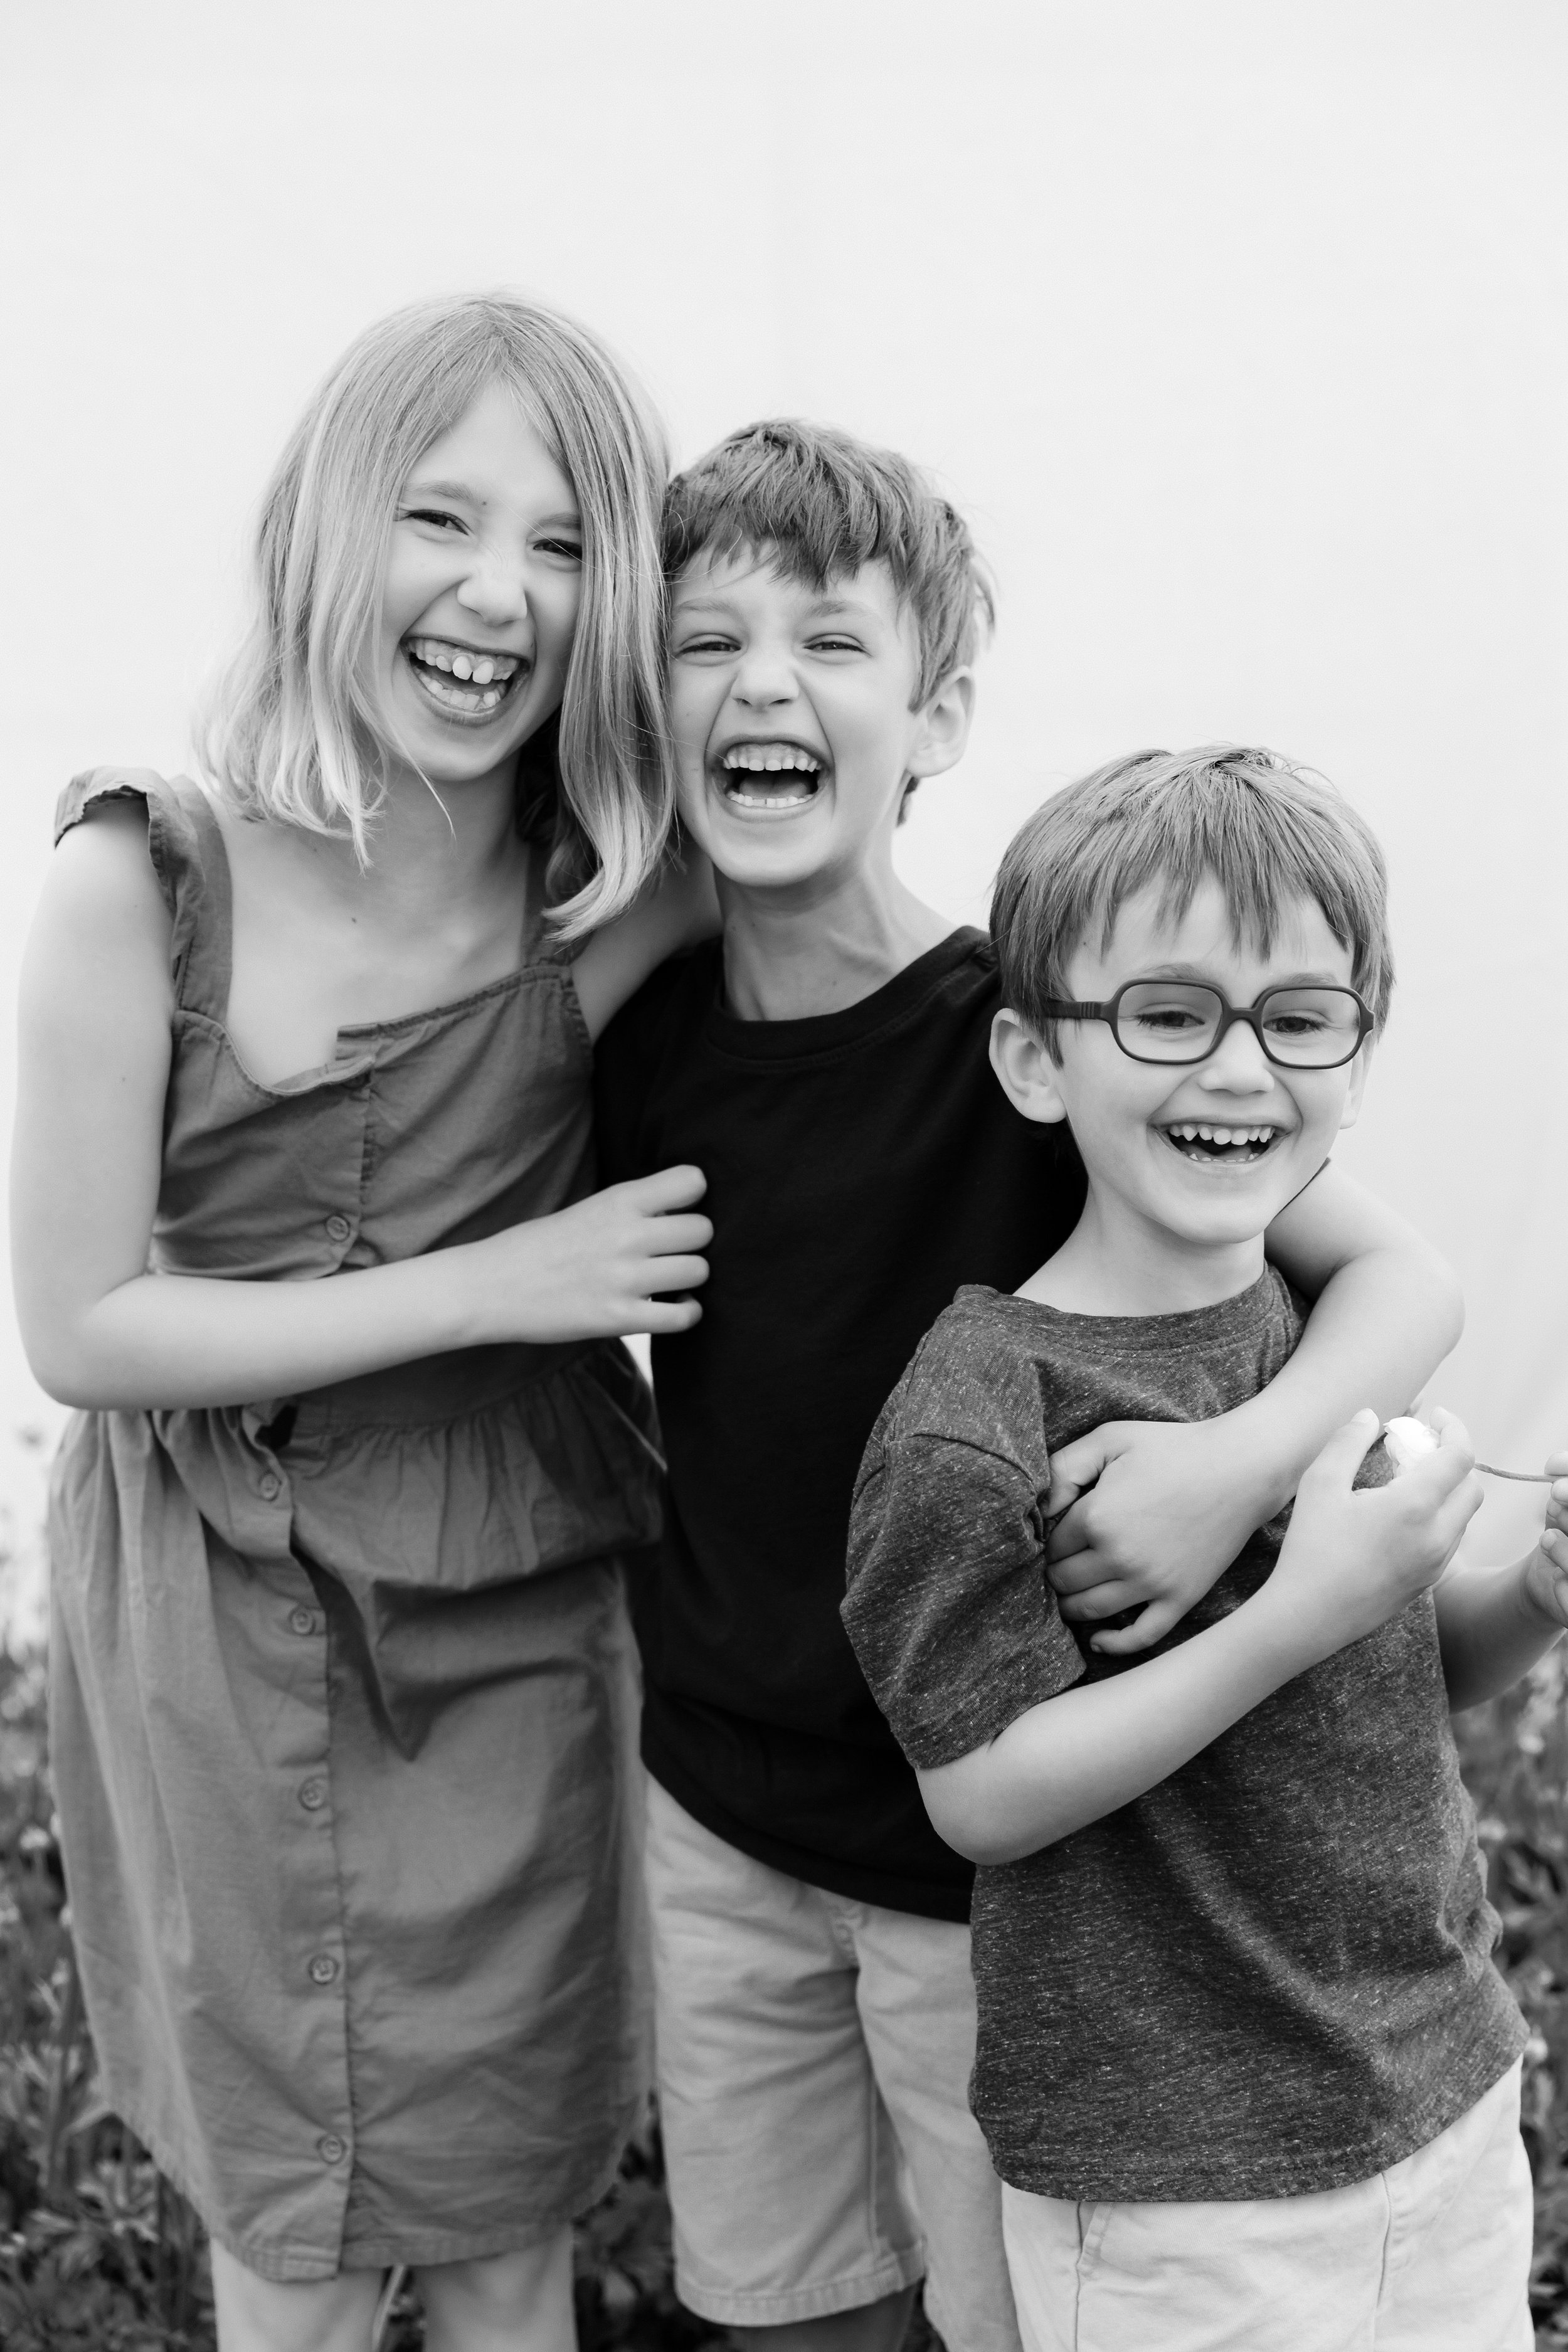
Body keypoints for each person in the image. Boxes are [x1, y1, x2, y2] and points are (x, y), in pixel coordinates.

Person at [592, 426, 1468, 2352]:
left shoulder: (1042, 1028)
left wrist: (1239, 1469)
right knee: (780, 2303)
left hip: (978, 1851)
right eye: (703, 640)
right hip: (722, 1807)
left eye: (829, 642)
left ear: (936, 714)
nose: (760, 685)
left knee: (1002, 2313)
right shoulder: (641, 1037)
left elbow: (1403, 1279)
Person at [11, 294, 716, 2352]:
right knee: (298, 2251)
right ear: (335, 532)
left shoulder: (630, 888)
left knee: (509, 2226)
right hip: (223, 1602)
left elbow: (924, 974)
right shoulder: (146, 879)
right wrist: (502, 1282)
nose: (501, 591)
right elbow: (80, 1326)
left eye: (572, 542)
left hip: (518, 1588)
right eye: (443, 517)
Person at [842, 744, 1559, 2351]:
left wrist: (1526, 1598)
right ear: (1034, 1062)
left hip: (1436, 2097)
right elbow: (979, 1792)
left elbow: (1387, 1670)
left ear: (1356, 1057)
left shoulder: (1313, 1342)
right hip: (1175, 2187)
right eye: (1167, 1015)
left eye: (1297, 1018)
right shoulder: (978, 1416)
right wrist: (1288, 1615)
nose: (1238, 1070)